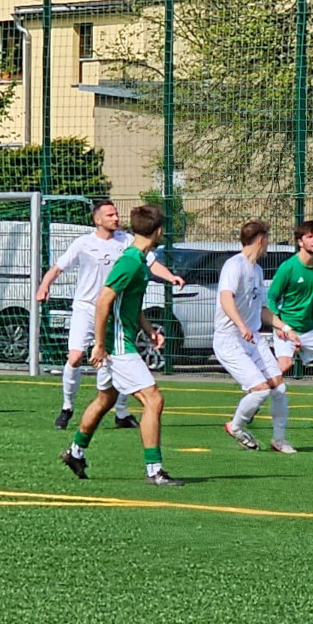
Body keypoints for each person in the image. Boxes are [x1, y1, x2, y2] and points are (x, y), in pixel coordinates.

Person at [59, 205, 182, 486]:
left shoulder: (136, 259)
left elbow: (128, 304)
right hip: (118, 346)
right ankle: (155, 470)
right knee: (154, 399)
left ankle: (75, 452)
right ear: (159, 231)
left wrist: (148, 329)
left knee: (106, 399)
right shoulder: (129, 262)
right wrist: (100, 345)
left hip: (120, 341)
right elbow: (103, 301)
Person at [36, 199, 183, 430]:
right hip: (86, 308)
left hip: (114, 310)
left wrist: (170, 277)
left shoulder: (127, 242)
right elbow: (57, 268)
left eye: (116, 214)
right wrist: (45, 286)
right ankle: (67, 407)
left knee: (118, 359)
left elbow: (151, 263)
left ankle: (121, 412)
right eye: (110, 215)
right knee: (74, 357)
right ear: (97, 220)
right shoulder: (84, 242)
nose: (116, 218)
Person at [215, 220, 300, 454]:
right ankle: (236, 426)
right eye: (268, 240)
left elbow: (262, 309)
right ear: (261, 240)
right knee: (260, 389)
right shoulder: (235, 265)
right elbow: (225, 298)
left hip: (252, 338)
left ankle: (279, 440)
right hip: (229, 339)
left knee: (278, 387)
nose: (268, 245)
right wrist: (241, 325)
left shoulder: (258, 270)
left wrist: (285, 327)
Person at [267, 221, 313, 431]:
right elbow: (271, 297)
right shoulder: (288, 267)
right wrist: (279, 325)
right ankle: (253, 400)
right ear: (299, 241)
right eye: (309, 236)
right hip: (287, 327)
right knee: (284, 366)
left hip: (309, 330)